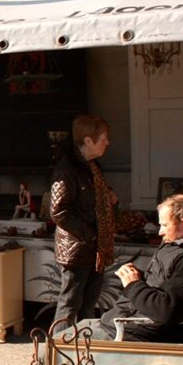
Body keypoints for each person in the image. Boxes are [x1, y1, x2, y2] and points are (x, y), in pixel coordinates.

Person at [68, 194, 183, 342]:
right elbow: (160, 285)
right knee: (58, 338)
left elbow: (166, 310)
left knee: (52, 347)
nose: (160, 232)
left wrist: (133, 284)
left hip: (132, 333)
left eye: (164, 225)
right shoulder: (176, 245)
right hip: (118, 322)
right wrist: (136, 277)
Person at [49, 115, 115, 328]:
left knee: (88, 305)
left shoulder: (92, 166)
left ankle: (84, 350)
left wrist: (110, 198)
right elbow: (59, 211)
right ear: (88, 140)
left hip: (96, 247)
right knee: (70, 304)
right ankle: (59, 351)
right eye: (103, 138)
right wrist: (91, 235)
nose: (107, 142)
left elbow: (94, 199)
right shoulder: (67, 168)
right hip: (77, 248)